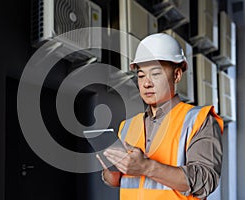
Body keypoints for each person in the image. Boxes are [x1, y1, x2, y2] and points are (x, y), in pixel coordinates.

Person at [96, 33, 223, 200]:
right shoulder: (127, 126)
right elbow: (125, 181)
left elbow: (205, 181)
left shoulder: (199, 120)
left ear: (177, 75)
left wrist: (147, 167)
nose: (146, 83)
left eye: (155, 74)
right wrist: (112, 176)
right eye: (141, 76)